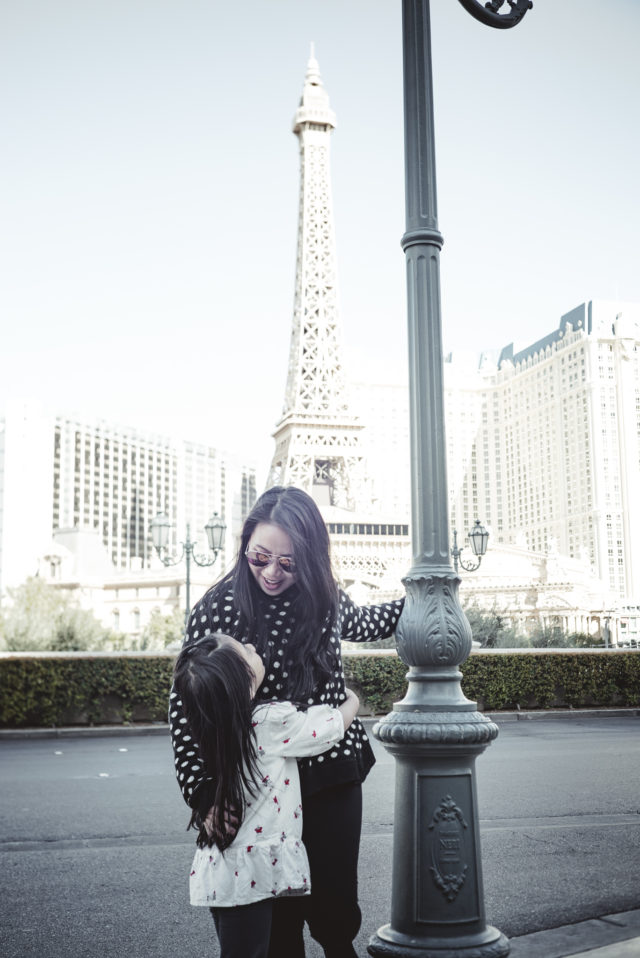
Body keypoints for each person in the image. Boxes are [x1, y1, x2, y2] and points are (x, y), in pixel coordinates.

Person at [170, 485, 405, 957]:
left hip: (331, 769)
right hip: (262, 784)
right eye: (260, 558)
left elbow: (360, 624)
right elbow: (187, 705)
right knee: (277, 924)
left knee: (335, 910)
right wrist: (203, 793)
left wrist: (421, 599)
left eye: (289, 563)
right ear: (245, 545)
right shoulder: (216, 608)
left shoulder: (324, 596)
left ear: (311, 559)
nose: (272, 573)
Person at [173, 632, 360, 958]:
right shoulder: (269, 722)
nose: (252, 647)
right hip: (255, 871)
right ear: (244, 679)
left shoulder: (211, 727)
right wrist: (352, 701)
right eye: (245, 651)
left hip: (222, 869)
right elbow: (326, 729)